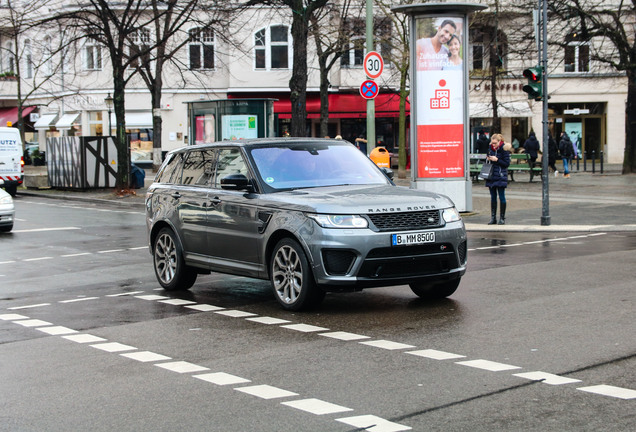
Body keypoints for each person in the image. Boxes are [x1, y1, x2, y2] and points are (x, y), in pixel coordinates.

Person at [485, 133, 512, 225]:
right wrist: (488, 158)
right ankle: (493, 217)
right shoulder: (490, 149)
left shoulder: (504, 149)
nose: (493, 145)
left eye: (495, 143)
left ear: (499, 142)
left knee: (501, 196)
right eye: (492, 143)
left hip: (500, 175)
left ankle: (502, 218)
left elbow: (506, 163)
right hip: (491, 175)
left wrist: (497, 160)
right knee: (493, 197)